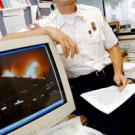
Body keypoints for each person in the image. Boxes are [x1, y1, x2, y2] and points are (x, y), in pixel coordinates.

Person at [0, 0, 133, 135]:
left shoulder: (94, 13)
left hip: (111, 77)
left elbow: (113, 47)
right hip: (83, 87)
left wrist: (118, 73)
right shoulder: (46, 24)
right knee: (115, 124)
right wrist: (48, 31)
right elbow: (5, 39)